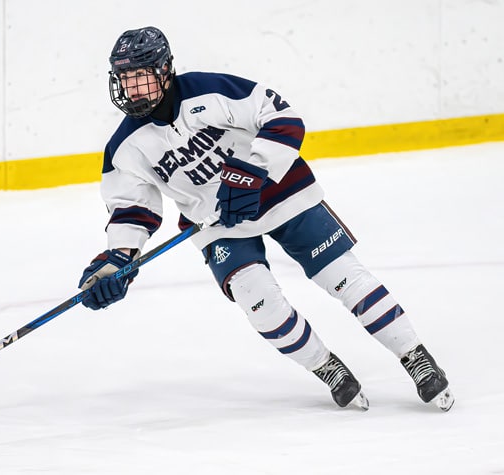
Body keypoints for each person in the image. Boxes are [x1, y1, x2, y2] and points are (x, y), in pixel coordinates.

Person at [77, 26, 454, 411]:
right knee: (259, 303)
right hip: (216, 224)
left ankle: (415, 357)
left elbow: (284, 118)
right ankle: (328, 368)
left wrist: (250, 172)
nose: (134, 89)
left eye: (141, 77)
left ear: (166, 69)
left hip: (281, 192)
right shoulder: (124, 148)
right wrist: (115, 262)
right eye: (125, 79)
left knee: (344, 277)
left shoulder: (211, 90)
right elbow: (131, 210)